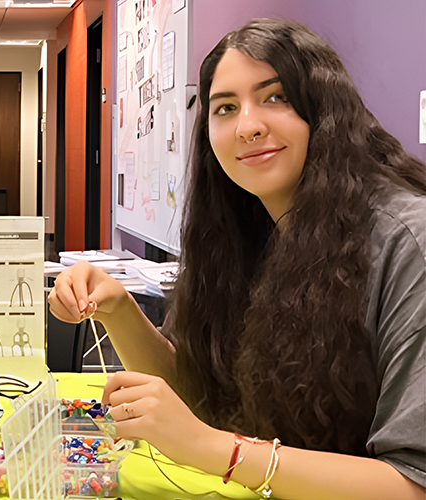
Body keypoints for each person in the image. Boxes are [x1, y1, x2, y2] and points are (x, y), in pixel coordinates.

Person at [49, 19, 425, 499]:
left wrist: (216, 450)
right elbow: (202, 398)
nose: (248, 126)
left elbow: (413, 484)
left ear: (325, 112)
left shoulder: (407, 241)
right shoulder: (246, 229)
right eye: (226, 108)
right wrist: (118, 309)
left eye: (275, 97)